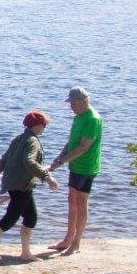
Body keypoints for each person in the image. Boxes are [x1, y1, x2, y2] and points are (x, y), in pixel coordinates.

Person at [0, 110, 59, 261]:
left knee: (31, 218)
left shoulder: (19, 138)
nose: (45, 127)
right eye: (44, 124)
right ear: (36, 125)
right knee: (10, 219)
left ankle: (25, 253)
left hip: (15, 184)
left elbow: (3, 161)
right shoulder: (32, 141)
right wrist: (47, 177)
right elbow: (29, 161)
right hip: (20, 185)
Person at [48, 87, 103, 255]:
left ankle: (76, 243)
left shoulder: (92, 119)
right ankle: (67, 239)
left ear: (84, 101)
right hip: (74, 165)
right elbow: (71, 142)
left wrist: (63, 161)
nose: (71, 106)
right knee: (71, 201)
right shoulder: (78, 117)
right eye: (70, 103)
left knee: (81, 202)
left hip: (87, 167)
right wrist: (58, 159)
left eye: (74, 103)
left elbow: (84, 146)